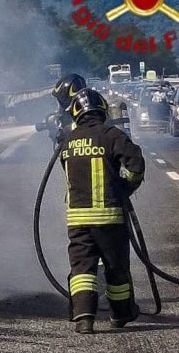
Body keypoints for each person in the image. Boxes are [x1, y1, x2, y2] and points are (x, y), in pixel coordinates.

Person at [60, 89, 144, 334]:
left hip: (77, 219)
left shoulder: (68, 140)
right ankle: (120, 314)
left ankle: (84, 318)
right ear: (102, 110)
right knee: (115, 266)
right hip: (109, 217)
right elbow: (135, 165)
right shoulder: (111, 135)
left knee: (82, 268)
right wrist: (126, 186)